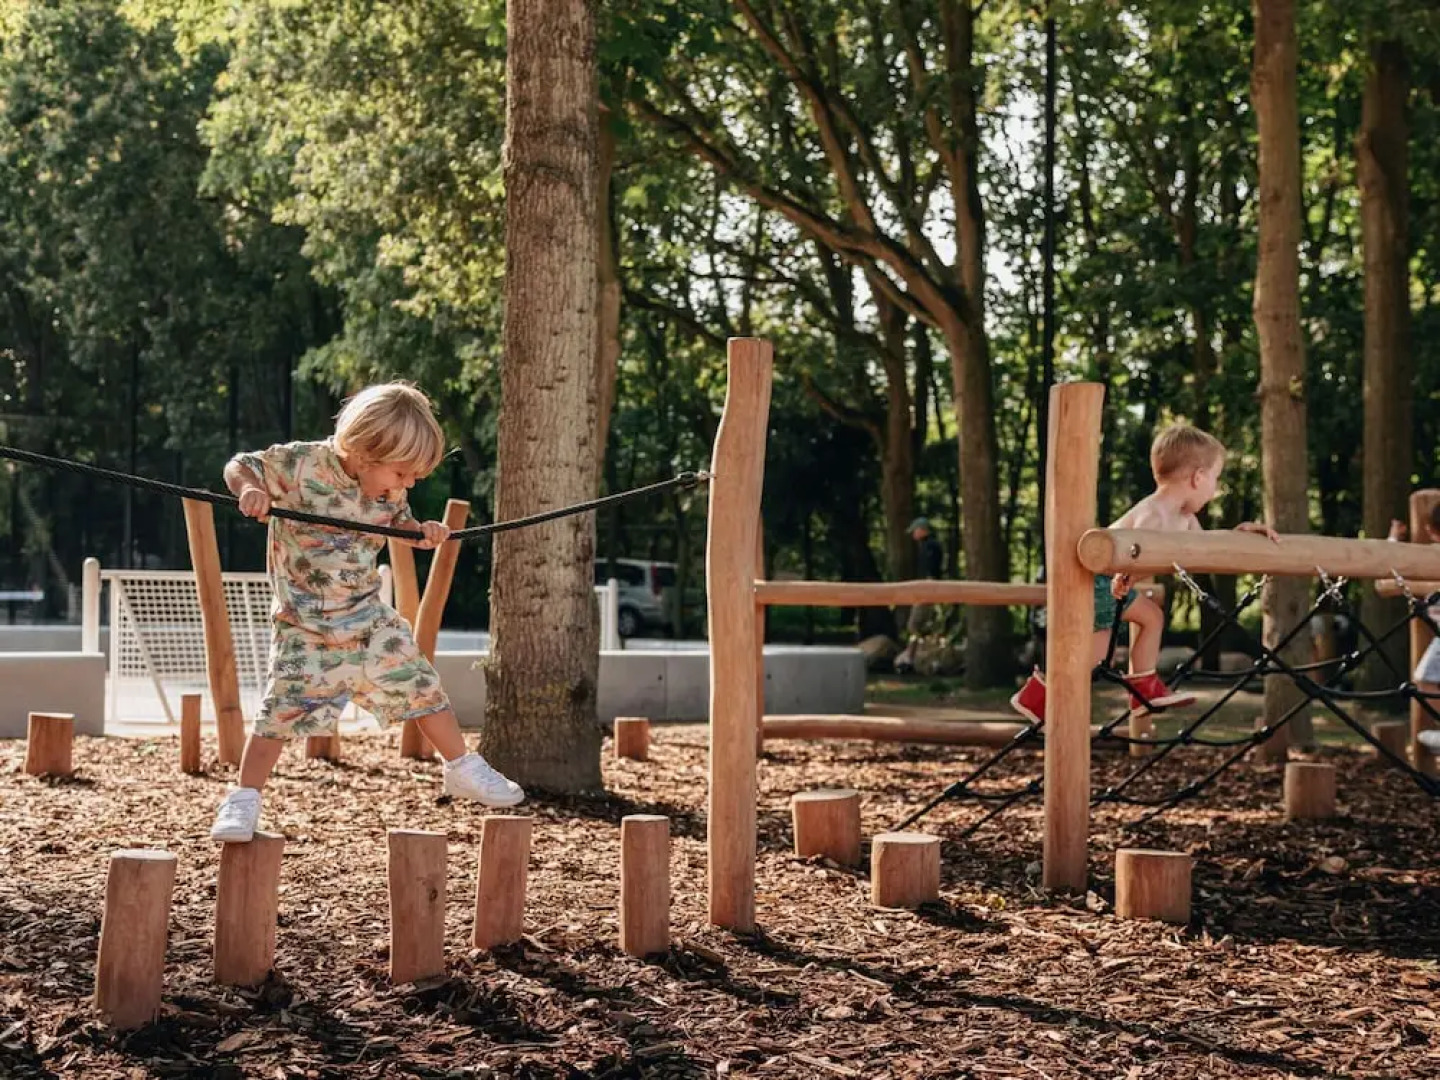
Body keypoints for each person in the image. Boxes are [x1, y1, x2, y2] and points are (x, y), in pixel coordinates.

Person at [210, 383, 524, 843]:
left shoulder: (387, 493)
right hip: (307, 626)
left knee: (420, 682)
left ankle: (462, 765)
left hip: (366, 619)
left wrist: (419, 532)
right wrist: (252, 490)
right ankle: (244, 799)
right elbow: (239, 465)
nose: (408, 484)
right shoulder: (301, 465)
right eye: (402, 474)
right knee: (278, 713)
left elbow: (398, 524)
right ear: (364, 450)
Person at [1010, 423, 1279, 724]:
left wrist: (1241, 533)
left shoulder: (1184, 517)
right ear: (1198, 477)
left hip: (1114, 585)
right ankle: (1040, 695)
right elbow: (1131, 552)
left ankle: (1140, 690)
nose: (1215, 490)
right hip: (1097, 582)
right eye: (1215, 479)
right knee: (1098, 656)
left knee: (1149, 620)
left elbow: (1208, 548)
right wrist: (1127, 576)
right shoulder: (1155, 513)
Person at [1388, 513, 1440, 756]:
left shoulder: (1429, 554)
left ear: (1430, 529)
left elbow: (1390, 565)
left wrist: (1394, 539)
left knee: (1425, 678)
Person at [894, 517, 946, 675]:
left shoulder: (930, 546)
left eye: (915, 531)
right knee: (921, 627)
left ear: (922, 530)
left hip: (928, 591)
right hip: (926, 590)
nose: (913, 535)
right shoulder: (926, 546)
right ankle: (916, 655)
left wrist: (927, 587)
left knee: (914, 625)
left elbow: (931, 571)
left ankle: (914, 656)